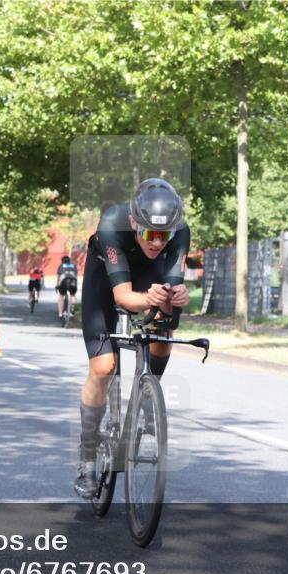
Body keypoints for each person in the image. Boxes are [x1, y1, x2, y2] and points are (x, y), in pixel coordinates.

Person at [74, 178, 190, 499]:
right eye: (149, 234)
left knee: (164, 328)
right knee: (103, 366)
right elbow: (124, 298)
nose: (156, 242)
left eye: (163, 235)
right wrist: (152, 299)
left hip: (146, 275)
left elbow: (168, 301)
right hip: (106, 278)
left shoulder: (179, 234)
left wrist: (175, 297)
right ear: (134, 222)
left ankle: (149, 393)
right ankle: (87, 457)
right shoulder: (113, 225)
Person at [56, 255, 78, 319]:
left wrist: (57, 285)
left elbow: (58, 278)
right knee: (73, 295)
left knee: (61, 296)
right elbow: (75, 275)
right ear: (69, 261)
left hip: (64, 282)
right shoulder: (74, 266)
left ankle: (60, 313)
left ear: (62, 261)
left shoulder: (61, 266)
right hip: (73, 281)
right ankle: (72, 309)